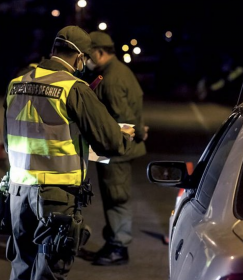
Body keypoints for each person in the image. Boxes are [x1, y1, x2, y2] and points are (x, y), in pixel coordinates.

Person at [2, 25, 135, 280]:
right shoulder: (73, 88)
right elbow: (109, 141)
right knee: (49, 271)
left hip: (18, 193)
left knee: (21, 267)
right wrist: (125, 137)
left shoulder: (16, 84)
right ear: (78, 56)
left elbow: (10, 142)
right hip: (56, 196)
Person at [86, 31, 148, 266]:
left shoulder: (111, 79)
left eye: (89, 54)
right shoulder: (116, 72)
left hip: (116, 151)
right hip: (112, 149)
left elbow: (124, 119)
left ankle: (118, 246)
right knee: (113, 196)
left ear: (99, 52)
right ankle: (113, 240)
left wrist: (138, 132)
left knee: (116, 197)